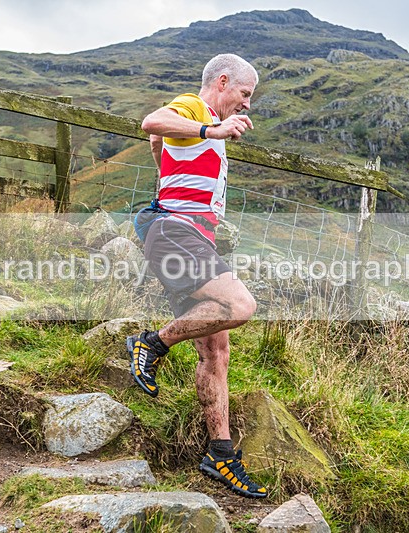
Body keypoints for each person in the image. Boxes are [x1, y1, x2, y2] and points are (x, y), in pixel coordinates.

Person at [128, 54, 267, 499]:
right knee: (240, 306)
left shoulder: (199, 126)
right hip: (176, 231)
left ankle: (220, 454)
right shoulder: (195, 108)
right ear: (223, 81)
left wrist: (175, 155)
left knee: (216, 352)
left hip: (190, 237)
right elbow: (153, 122)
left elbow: (160, 146)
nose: (246, 105)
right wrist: (213, 130)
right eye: (244, 94)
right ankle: (153, 343)